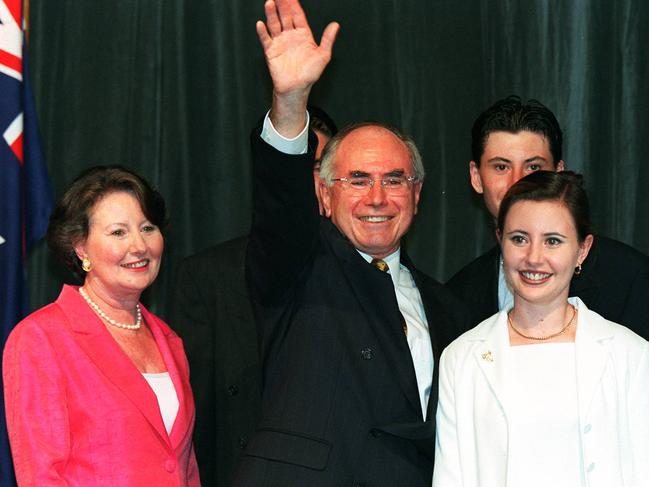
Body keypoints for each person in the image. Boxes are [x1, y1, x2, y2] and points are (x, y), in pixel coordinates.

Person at [232, 1, 467, 485]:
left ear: (417, 195)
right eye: (357, 179)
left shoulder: (449, 308)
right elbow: (280, 209)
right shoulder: (299, 266)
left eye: (395, 180)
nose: (377, 198)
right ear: (323, 192)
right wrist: (292, 101)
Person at [433, 171, 649, 486]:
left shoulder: (631, 354)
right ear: (500, 241)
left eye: (553, 241)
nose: (534, 258)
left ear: (582, 250)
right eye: (519, 239)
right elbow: (451, 478)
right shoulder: (461, 358)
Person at [170, 106, 337, 487]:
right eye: (298, 166)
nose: (309, 182)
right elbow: (198, 419)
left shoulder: (374, 273)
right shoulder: (208, 276)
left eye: (318, 168)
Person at [3, 166, 200, 486]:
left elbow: (184, 467)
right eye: (118, 232)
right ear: (81, 248)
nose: (139, 246)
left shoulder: (169, 339)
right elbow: (42, 475)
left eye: (148, 228)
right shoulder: (41, 338)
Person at [447, 96, 649, 339]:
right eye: (501, 167)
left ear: (559, 174)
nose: (517, 183)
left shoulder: (631, 279)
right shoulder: (457, 297)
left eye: (533, 167)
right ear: (476, 177)